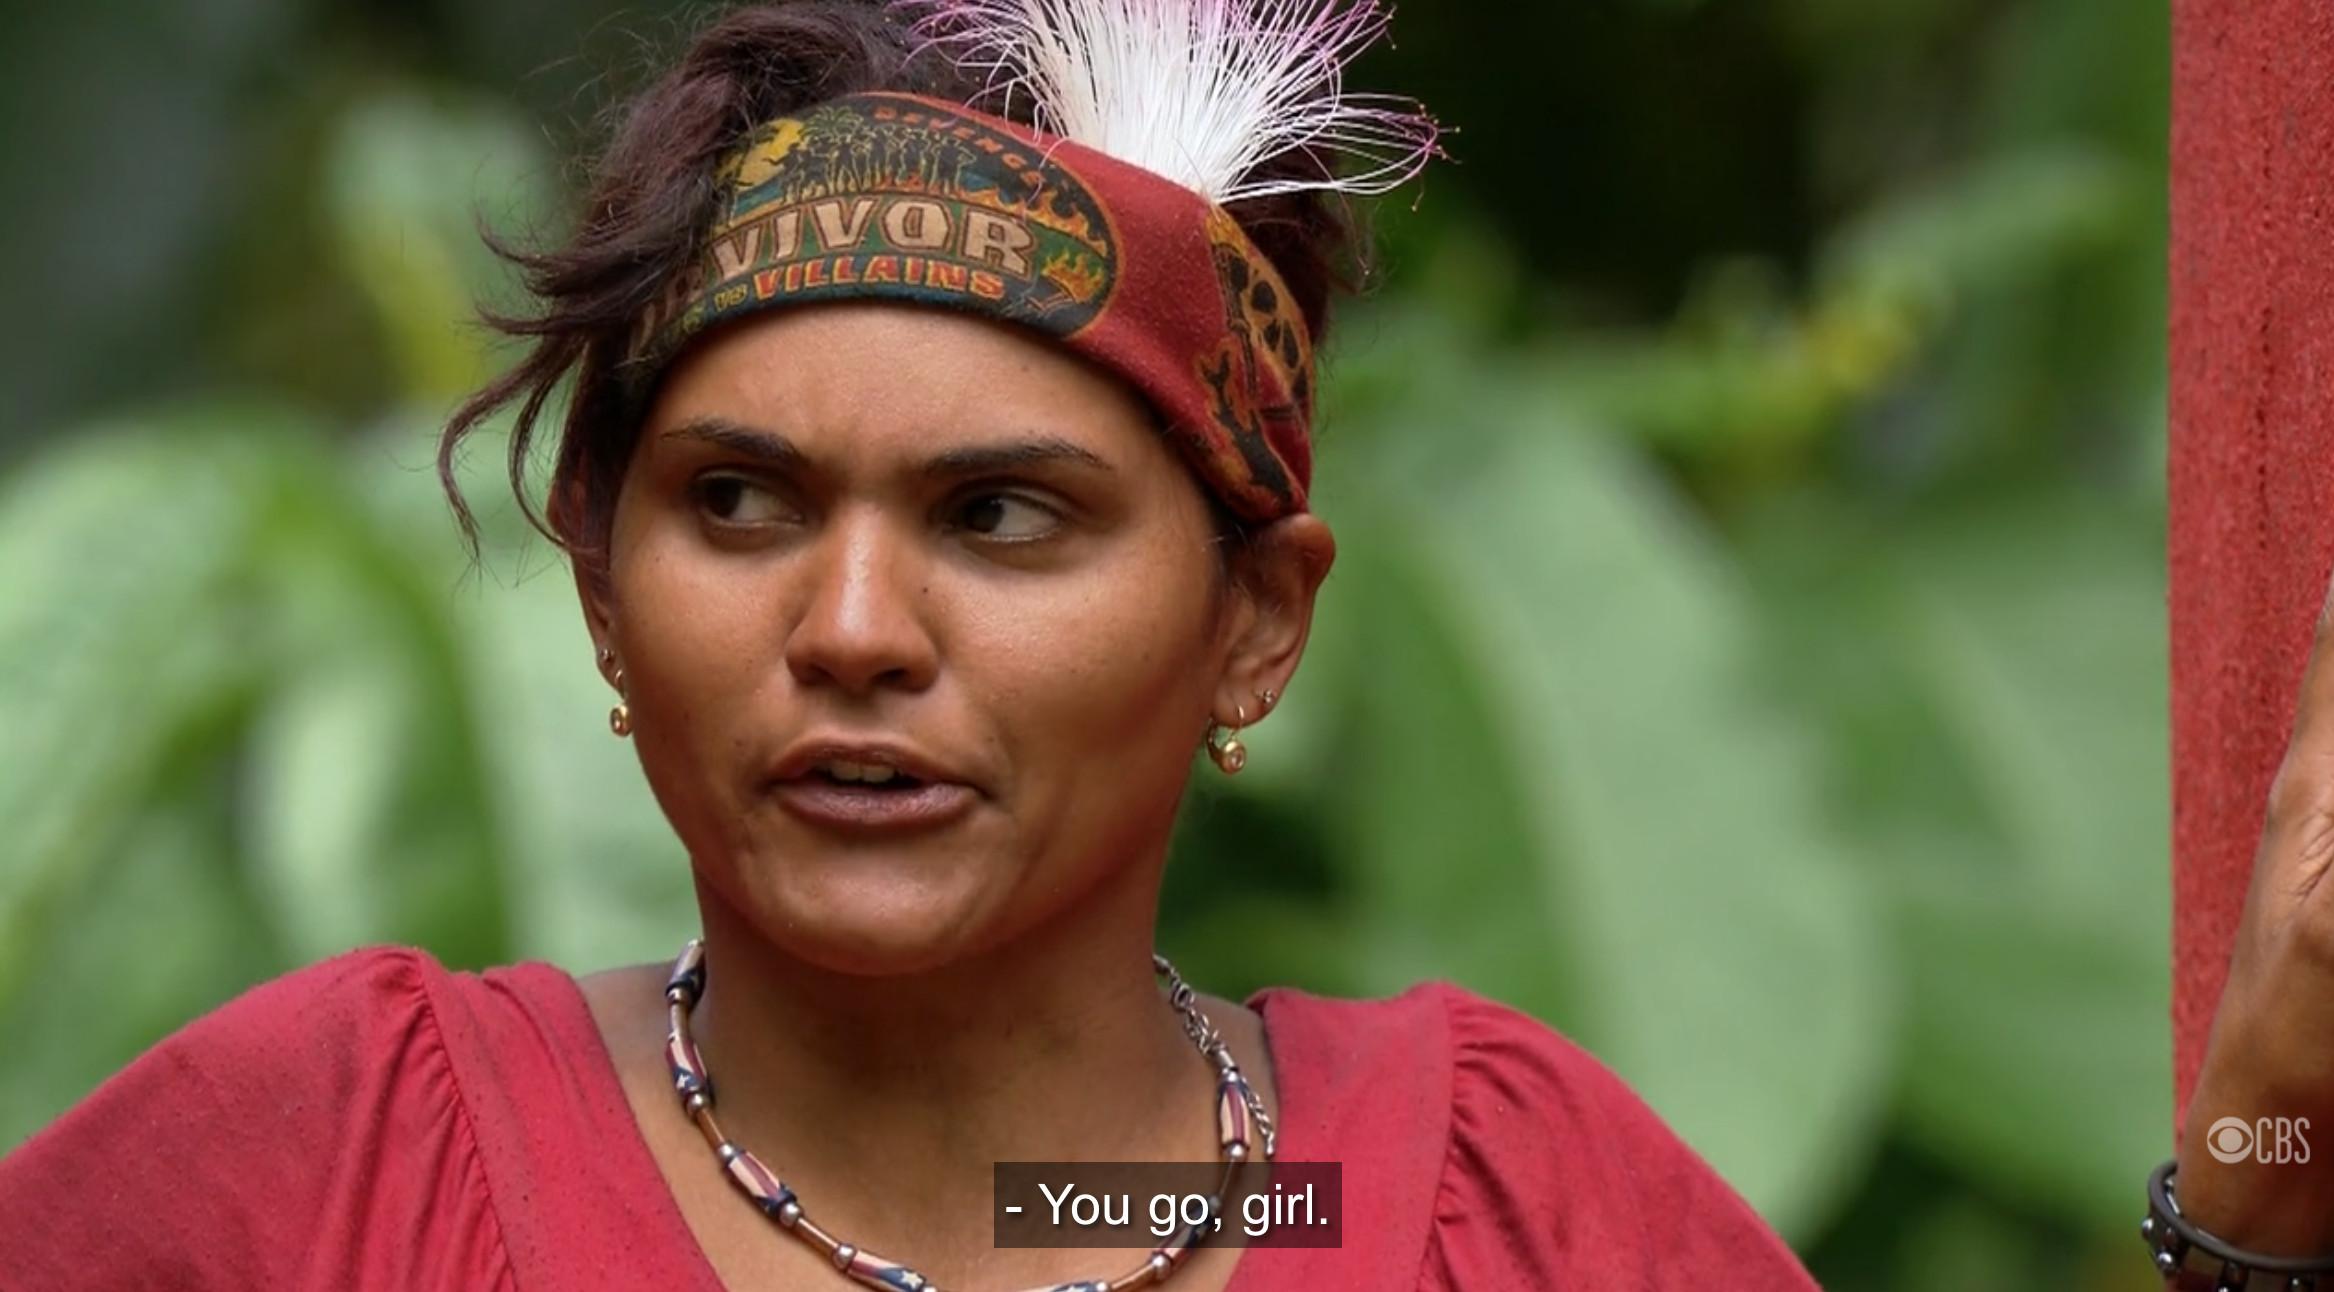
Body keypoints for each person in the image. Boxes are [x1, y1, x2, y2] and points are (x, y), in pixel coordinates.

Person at [0, 2, 1831, 1287]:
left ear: (1254, 628)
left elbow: (1089, 1214)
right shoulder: (331, 1170)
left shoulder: (1454, 1205)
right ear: (605, 596)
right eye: (740, 502)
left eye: (1001, 517)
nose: (854, 632)